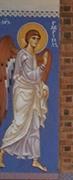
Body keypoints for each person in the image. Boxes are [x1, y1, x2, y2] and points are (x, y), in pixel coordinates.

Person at [0, 28, 50, 172]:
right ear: (27, 39)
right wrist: (43, 64)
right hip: (22, 92)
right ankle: (1, 152)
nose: (36, 41)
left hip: (32, 92)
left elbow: (34, 79)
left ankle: (35, 159)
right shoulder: (23, 54)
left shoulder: (32, 55)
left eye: (38, 39)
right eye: (33, 38)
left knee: (34, 124)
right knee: (19, 123)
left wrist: (41, 87)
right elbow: (29, 75)